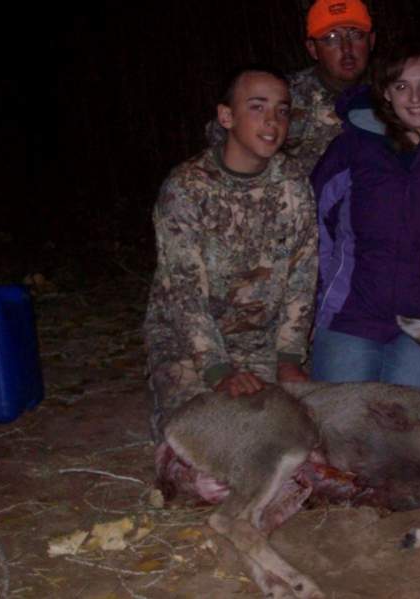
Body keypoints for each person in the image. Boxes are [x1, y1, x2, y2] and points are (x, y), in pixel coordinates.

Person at [144, 64, 318, 442]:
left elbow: (303, 276)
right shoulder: (186, 188)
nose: (272, 120)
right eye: (257, 107)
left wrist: (289, 359)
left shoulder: (293, 184)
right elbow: (185, 293)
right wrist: (219, 371)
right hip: (190, 344)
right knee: (203, 438)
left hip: (262, 342)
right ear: (226, 116)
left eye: (282, 109)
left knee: (295, 433)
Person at [310, 40, 420, 388]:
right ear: (386, 93)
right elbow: (316, 228)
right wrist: (322, 300)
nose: (416, 98)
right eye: (401, 86)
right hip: (352, 315)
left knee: (404, 430)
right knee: (339, 427)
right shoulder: (351, 149)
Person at [205, 0, 376, 176]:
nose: (346, 48)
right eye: (331, 38)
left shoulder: (392, 94)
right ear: (313, 49)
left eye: (356, 35)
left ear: (371, 41)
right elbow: (219, 132)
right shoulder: (284, 94)